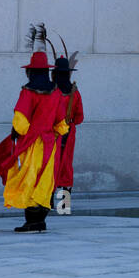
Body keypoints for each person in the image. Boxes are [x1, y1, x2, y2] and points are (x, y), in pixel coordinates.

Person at [0, 29, 69, 233]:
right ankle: (40, 220)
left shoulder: (27, 92)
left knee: (27, 178)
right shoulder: (56, 92)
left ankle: (31, 221)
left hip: (31, 144)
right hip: (50, 143)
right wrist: (55, 134)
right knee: (45, 179)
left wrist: (24, 133)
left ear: (30, 71)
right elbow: (61, 123)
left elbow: (20, 120)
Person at [51, 39, 83, 215]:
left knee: (50, 165)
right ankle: (64, 206)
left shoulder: (50, 91)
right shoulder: (74, 92)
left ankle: (47, 201)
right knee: (66, 166)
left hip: (52, 133)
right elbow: (80, 117)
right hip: (69, 133)